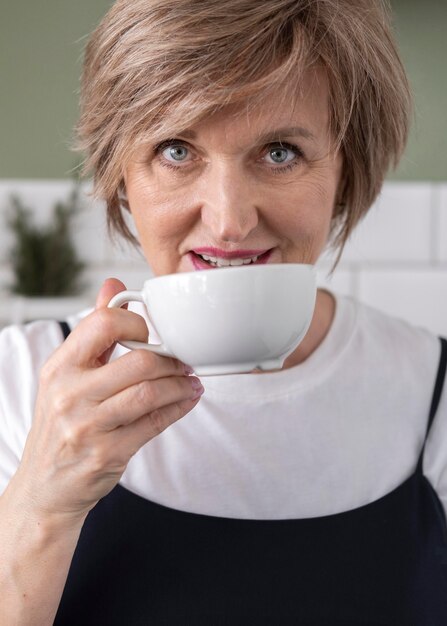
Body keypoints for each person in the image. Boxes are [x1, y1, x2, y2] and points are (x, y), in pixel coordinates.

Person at [1, 0, 446, 623]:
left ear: (346, 169)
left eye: (281, 151)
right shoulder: (20, 385)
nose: (229, 220)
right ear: (122, 175)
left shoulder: (435, 396)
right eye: (177, 150)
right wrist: (42, 504)